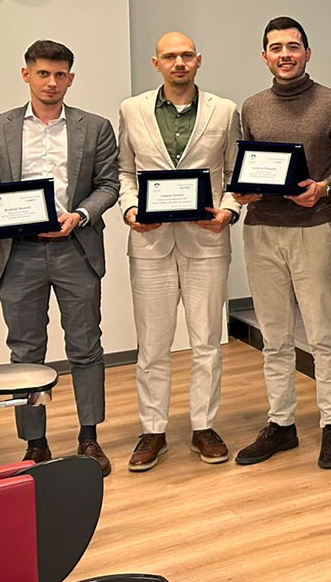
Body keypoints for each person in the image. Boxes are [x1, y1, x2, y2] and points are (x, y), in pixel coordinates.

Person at [0, 39, 120, 474]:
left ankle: (89, 437)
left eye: (60, 74)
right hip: (18, 255)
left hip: (76, 249)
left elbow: (109, 185)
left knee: (85, 346)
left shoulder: (95, 127)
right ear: (26, 74)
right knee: (26, 352)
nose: (52, 82)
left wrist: (80, 215)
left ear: (71, 78)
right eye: (43, 73)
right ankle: (35, 443)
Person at [233, 16, 331, 470]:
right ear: (264, 56)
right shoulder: (251, 107)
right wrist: (240, 192)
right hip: (262, 229)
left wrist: (325, 188)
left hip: (313, 229)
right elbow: (244, 164)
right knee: (275, 337)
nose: (285, 54)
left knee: (323, 335)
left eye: (293, 46)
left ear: (307, 52)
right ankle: (281, 423)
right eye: (276, 47)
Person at [117, 31, 241, 471]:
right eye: (170, 56)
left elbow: (233, 173)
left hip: (206, 239)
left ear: (198, 60)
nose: (179, 63)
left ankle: (203, 426)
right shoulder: (132, 109)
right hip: (150, 242)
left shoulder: (224, 110)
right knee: (152, 345)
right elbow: (125, 171)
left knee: (207, 340)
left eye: (187, 55)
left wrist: (228, 211)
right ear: (156, 64)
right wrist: (130, 208)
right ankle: (153, 430)